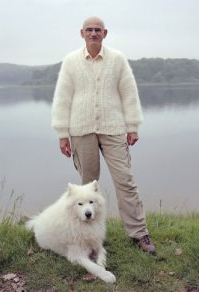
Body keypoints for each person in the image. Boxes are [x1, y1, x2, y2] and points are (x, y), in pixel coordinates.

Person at [51, 16, 156, 254]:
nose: (93, 33)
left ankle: (139, 234)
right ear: (82, 33)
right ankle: (88, 239)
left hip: (114, 128)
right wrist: (62, 133)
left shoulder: (117, 59)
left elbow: (128, 93)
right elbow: (62, 97)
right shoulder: (71, 61)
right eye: (89, 30)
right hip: (80, 130)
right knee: (87, 189)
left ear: (105, 33)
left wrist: (132, 126)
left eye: (98, 30)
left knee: (126, 181)